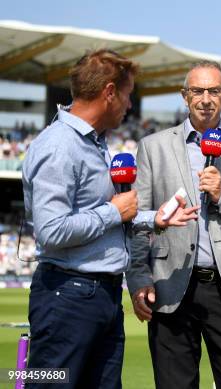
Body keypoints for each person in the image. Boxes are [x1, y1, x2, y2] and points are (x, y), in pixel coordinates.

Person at [22, 49, 198, 389]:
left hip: (99, 295)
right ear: (108, 93)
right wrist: (115, 211)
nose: (129, 106)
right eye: (128, 95)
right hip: (68, 296)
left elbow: (105, 215)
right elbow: (51, 230)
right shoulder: (59, 146)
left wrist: (153, 218)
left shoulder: (93, 143)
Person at [126, 60, 221, 389]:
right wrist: (138, 276)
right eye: (197, 91)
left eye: (214, 91)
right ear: (185, 96)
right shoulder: (153, 147)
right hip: (171, 285)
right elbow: (139, 220)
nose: (206, 98)